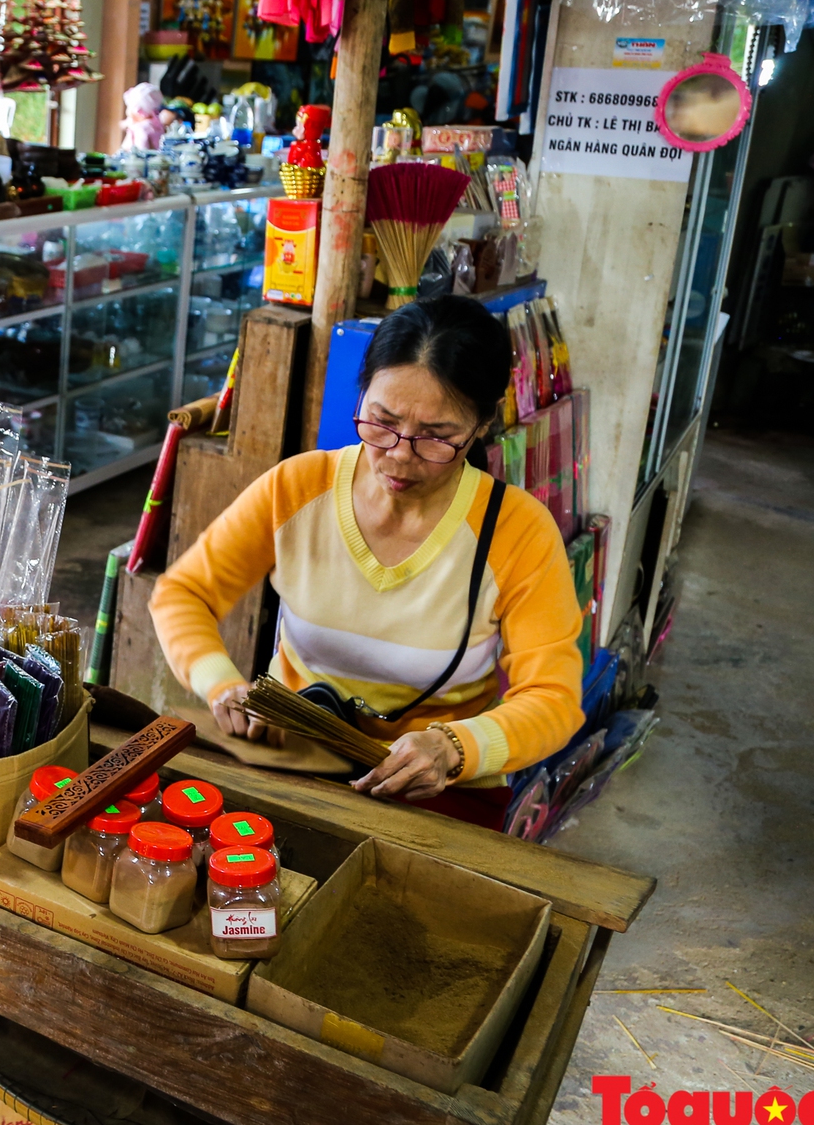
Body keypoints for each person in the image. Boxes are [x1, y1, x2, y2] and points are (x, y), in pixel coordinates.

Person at [149, 295, 584, 828]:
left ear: (482, 424)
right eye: (382, 421)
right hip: (292, 757)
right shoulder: (298, 488)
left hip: (433, 789)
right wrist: (221, 684)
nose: (399, 455)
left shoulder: (516, 531)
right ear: (363, 395)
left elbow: (554, 698)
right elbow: (182, 593)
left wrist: (454, 746)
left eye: (437, 437)